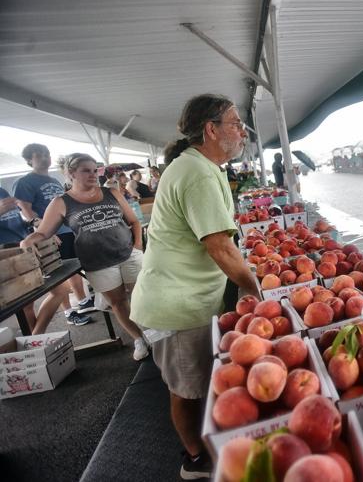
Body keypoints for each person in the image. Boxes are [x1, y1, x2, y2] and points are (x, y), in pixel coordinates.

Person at [129, 94, 259, 479]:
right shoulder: (198, 173)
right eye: (236, 123)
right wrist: (257, 290)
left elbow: (222, 241)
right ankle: (196, 459)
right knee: (188, 390)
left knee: (199, 383)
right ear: (211, 129)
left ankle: (206, 448)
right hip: (177, 305)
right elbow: (219, 246)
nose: (242, 131)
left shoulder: (202, 167)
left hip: (187, 297)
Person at [20, 153, 147, 356]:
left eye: (94, 170)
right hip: (98, 262)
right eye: (86, 170)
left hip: (128, 254)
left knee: (144, 296)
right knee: (118, 303)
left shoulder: (111, 193)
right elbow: (44, 232)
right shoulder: (61, 202)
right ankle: (139, 339)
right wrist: (28, 241)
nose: (93, 174)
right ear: (71, 173)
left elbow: (134, 221)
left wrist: (137, 246)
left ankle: (153, 333)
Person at [13, 143, 94, 325]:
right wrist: (43, 231)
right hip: (48, 235)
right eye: (39, 155)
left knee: (71, 268)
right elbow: (25, 209)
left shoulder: (54, 181)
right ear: (28, 160)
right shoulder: (25, 182)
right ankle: (68, 312)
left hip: (66, 231)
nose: (45, 157)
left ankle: (83, 301)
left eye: (47, 154)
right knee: (57, 276)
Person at [1, 187, 71, 333]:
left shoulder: (2, 191)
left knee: (61, 290)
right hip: (6, 254)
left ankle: (35, 338)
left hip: (24, 246)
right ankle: (36, 341)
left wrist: (40, 229)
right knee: (26, 305)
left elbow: (17, 219)